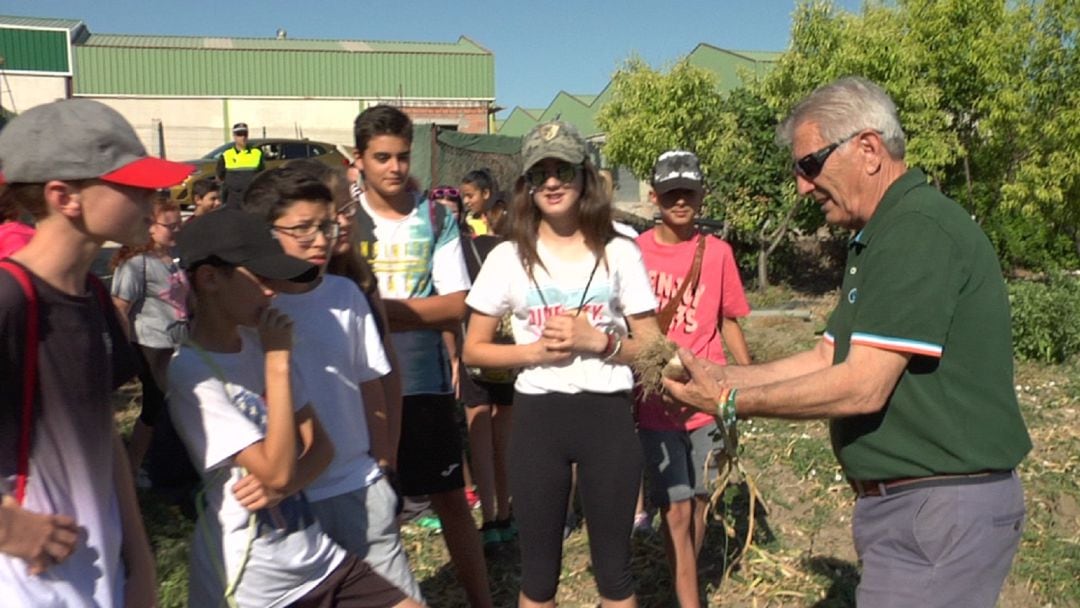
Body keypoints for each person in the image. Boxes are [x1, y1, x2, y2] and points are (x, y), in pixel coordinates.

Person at [663, 76, 1032, 608]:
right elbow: (825, 356)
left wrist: (728, 400)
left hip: (939, 511)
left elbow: (862, 386)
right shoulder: (883, 233)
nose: (802, 186)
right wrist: (715, 374)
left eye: (809, 165)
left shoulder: (916, 230)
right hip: (921, 510)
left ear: (868, 149)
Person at [168, 208, 419, 608]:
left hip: (314, 555)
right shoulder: (193, 373)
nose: (272, 291)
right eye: (260, 279)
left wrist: (285, 483)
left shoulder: (259, 345)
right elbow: (278, 469)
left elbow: (321, 448)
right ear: (210, 278)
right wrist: (278, 364)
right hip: (253, 580)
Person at [0, 98, 193, 607]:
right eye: (133, 184)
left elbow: (104, 432)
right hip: (28, 583)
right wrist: (6, 527)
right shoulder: (10, 299)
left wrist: (140, 559)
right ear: (65, 196)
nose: (154, 196)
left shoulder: (92, 296)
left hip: (99, 571)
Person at [463, 120, 661, 607]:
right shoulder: (508, 257)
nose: (552, 182)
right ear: (527, 186)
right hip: (538, 421)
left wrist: (601, 343)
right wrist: (532, 352)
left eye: (564, 170)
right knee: (538, 578)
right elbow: (473, 349)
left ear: (584, 176)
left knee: (615, 575)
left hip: (607, 417)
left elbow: (657, 351)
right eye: (540, 173)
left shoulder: (621, 251)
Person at [239, 165, 422, 601]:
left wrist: (383, 463)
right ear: (266, 233)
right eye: (303, 229)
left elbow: (370, 385)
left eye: (325, 225)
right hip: (287, 500)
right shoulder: (245, 308)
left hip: (357, 487)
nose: (321, 239)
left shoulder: (345, 294)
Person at [351, 104, 492, 608]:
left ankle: (482, 601)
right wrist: (415, 311)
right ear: (359, 159)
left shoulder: (435, 216)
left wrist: (376, 309)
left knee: (450, 500)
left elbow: (458, 304)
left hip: (422, 383)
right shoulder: (344, 220)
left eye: (402, 156)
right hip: (354, 387)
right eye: (382, 157)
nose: (394, 167)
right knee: (372, 507)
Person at [635, 149, 751, 608]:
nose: (680, 201)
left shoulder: (718, 253)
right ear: (654, 197)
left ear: (702, 196)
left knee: (702, 500)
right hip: (657, 401)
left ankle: (684, 575)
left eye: (688, 192)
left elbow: (729, 322)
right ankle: (688, 594)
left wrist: (746, 387)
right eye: (670, 193)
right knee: (675, 504)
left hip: (707, 399)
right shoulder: (635, 252)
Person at [109, 195, 195, 485]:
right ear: (150, 227)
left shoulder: (173, 258)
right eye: (169, 226)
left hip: (178, 341)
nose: (176, 230)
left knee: (175, 402)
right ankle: (133, 467)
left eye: (179, 224)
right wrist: (122, 351)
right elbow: (120, 307)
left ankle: (170, 459)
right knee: (155, 405)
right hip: (150, 344)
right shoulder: (136, 265)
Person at [458, 182, 515, 546]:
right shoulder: (516, 252)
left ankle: (490, 514)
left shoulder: (462, 247)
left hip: (473, 348)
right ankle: (507, 512)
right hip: (509, 352)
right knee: (504, 437)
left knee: (479, 434)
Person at [215, 122, 264, 208]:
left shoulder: (257, 153)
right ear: (234, 136)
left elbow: (262, 175)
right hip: (233, 200)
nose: (243, 137)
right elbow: (220, 177)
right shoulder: (226, 155)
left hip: (251, 199)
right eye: (239, 134)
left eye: (245, 134)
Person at [460, 169, 496, 236]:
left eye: (470, 196)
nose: (465, 201)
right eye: (464, 196)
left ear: (485, 193)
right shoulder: (464, 220)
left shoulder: (499, 221)